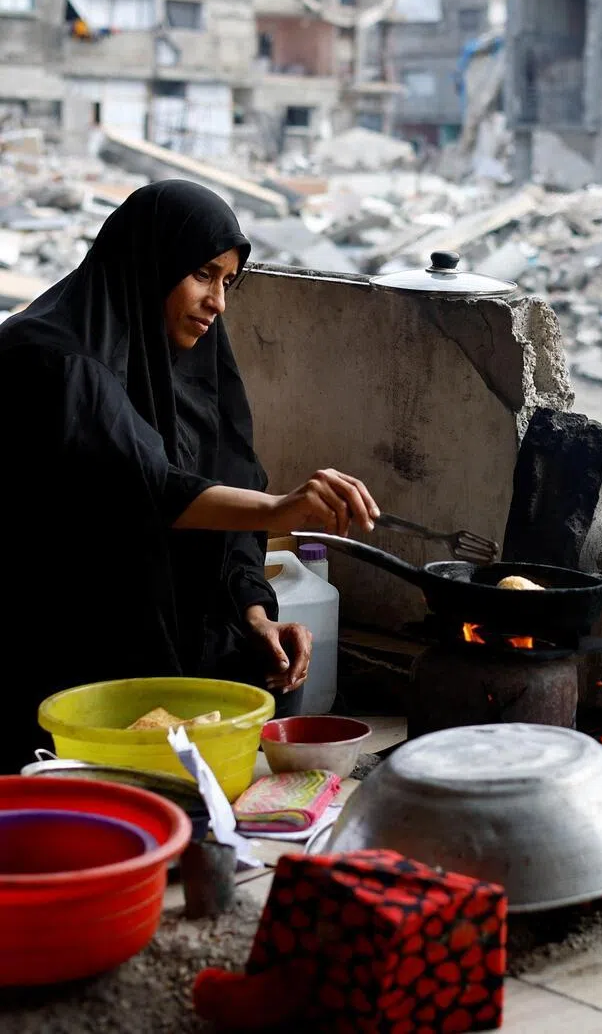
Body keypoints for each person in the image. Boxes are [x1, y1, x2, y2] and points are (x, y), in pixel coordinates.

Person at [0, 179, 380, 772]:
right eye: (203, 274)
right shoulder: (52, 357)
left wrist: (255, 611)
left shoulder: (191, 370)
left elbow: (229, 484)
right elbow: (145, 486)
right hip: (63, 628)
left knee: (270, 666)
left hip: (156, 613)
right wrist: (282, 509)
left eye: (229, 282)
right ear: (152, 262)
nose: (218, 303)